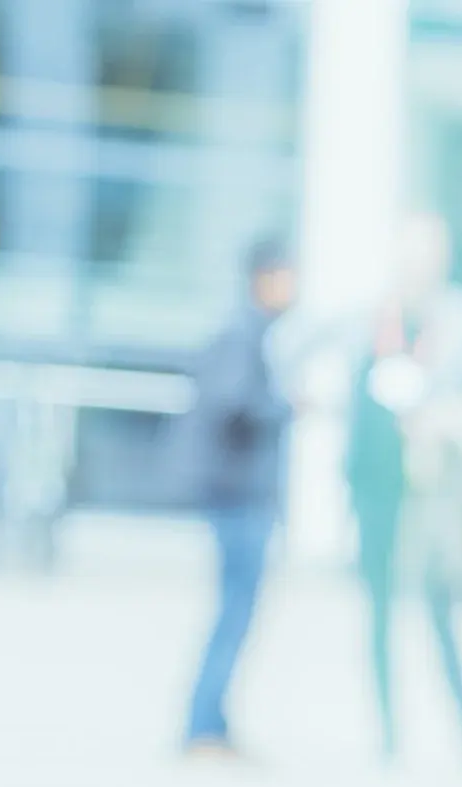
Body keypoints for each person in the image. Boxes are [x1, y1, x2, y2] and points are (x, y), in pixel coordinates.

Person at [344, 212, 462, 759]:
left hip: (434, 491)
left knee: (440, 614)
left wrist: (446, 419)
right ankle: (387, 735)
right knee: (378, 612)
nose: (417, 265)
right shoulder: (369, 317)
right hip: (377, 488)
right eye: (409, 253)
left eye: (427, 254)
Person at [176, 237, 297, 756]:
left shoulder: (251, 332)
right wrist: (285, 406)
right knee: (234, 612)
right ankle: (203, 727)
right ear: (264, 278)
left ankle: (213, 723)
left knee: (236, 612)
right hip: (238, 496)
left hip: (239, 495)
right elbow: (233, 405)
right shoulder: (241, 335)